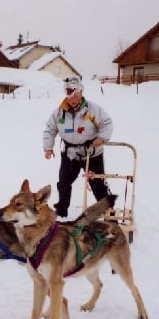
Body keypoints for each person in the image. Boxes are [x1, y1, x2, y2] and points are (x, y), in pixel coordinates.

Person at [43, 76, 114, 217]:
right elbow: (50, 129)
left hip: (92, 153)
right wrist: (48, 148)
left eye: (77, 95)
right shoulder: (59, 112)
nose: (74, 99)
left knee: (98, 184)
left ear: (81, 93)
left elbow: (107, 123)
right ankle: (61, 212)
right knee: (63, 183)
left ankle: (108, 212)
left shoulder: (92, 109)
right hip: (70, 155)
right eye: (70, 96)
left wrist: (102, 138)